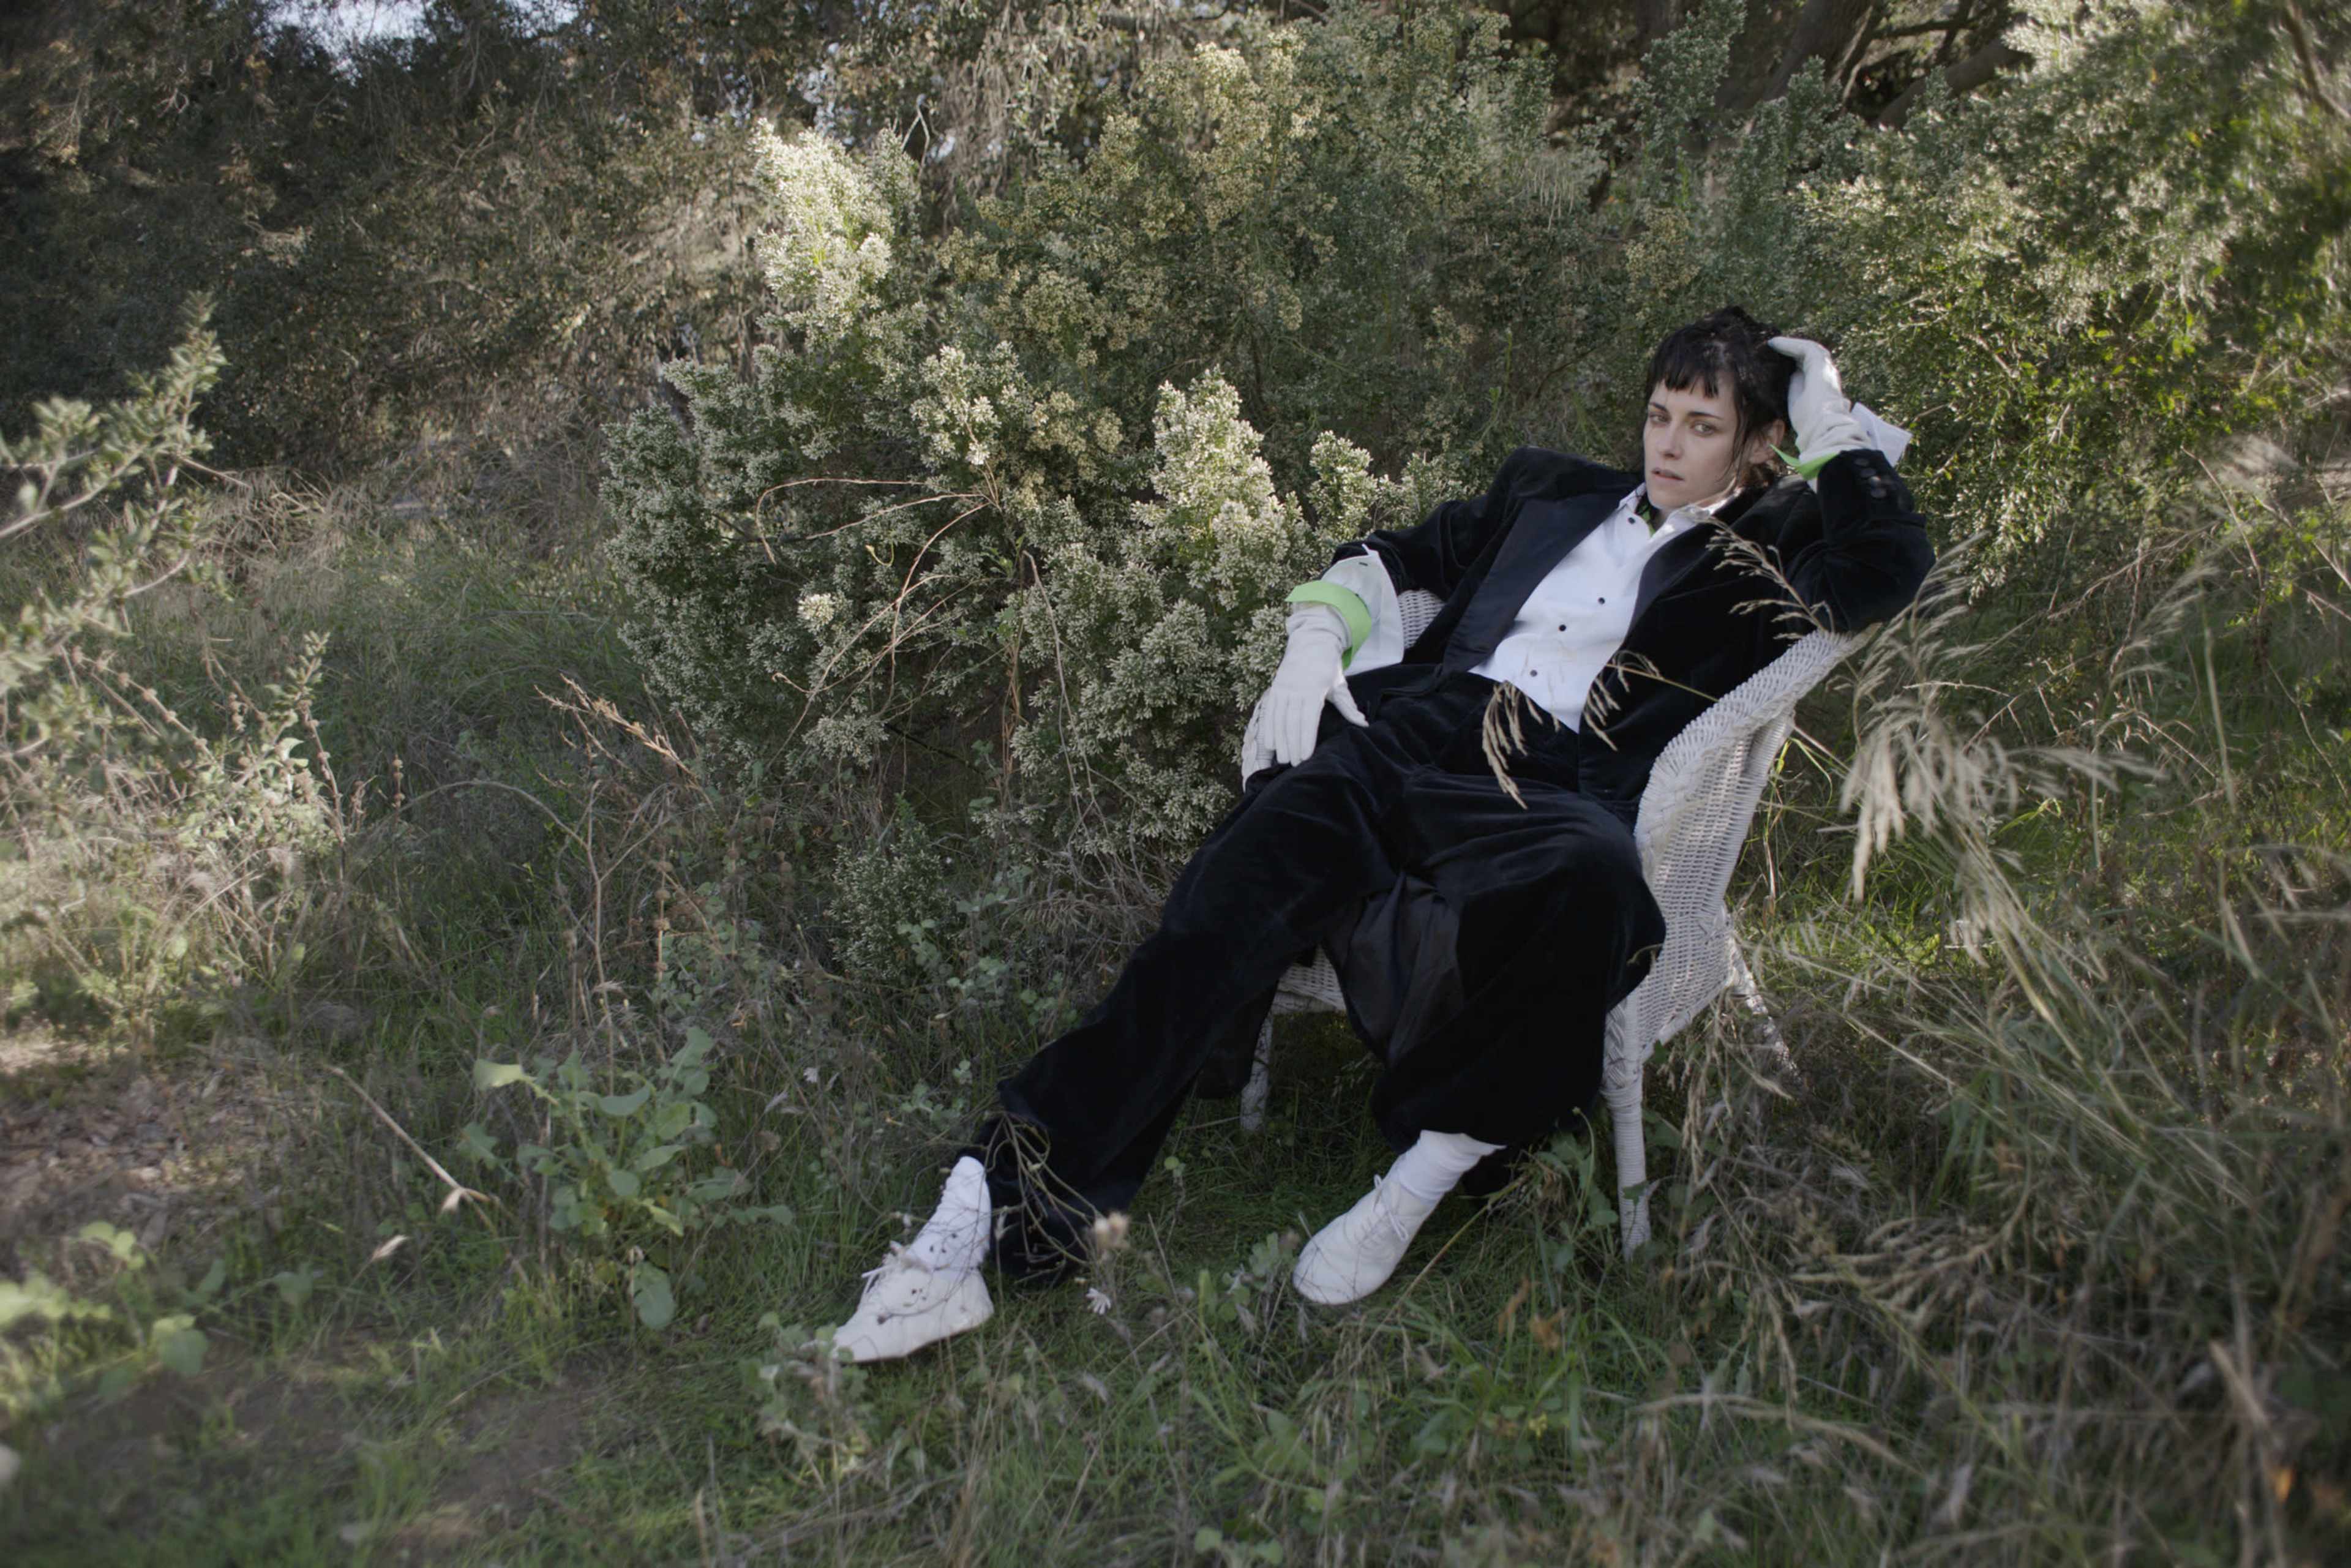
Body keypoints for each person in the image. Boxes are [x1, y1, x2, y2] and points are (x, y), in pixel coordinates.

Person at [828, 307, 1933, 1362]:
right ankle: (992, 1197)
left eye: (1703, 427)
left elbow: (1886, 570)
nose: (1670, 445)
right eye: (1660, 415)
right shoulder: (1549, 485)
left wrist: (1831, 419)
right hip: (1417, 722)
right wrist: (1317, 638)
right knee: (1234, 890)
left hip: (1558, 774)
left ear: (1752, 448)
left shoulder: (1766, 548)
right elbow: (1395, 557)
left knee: (1598, 884)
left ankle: (1424, 1169)